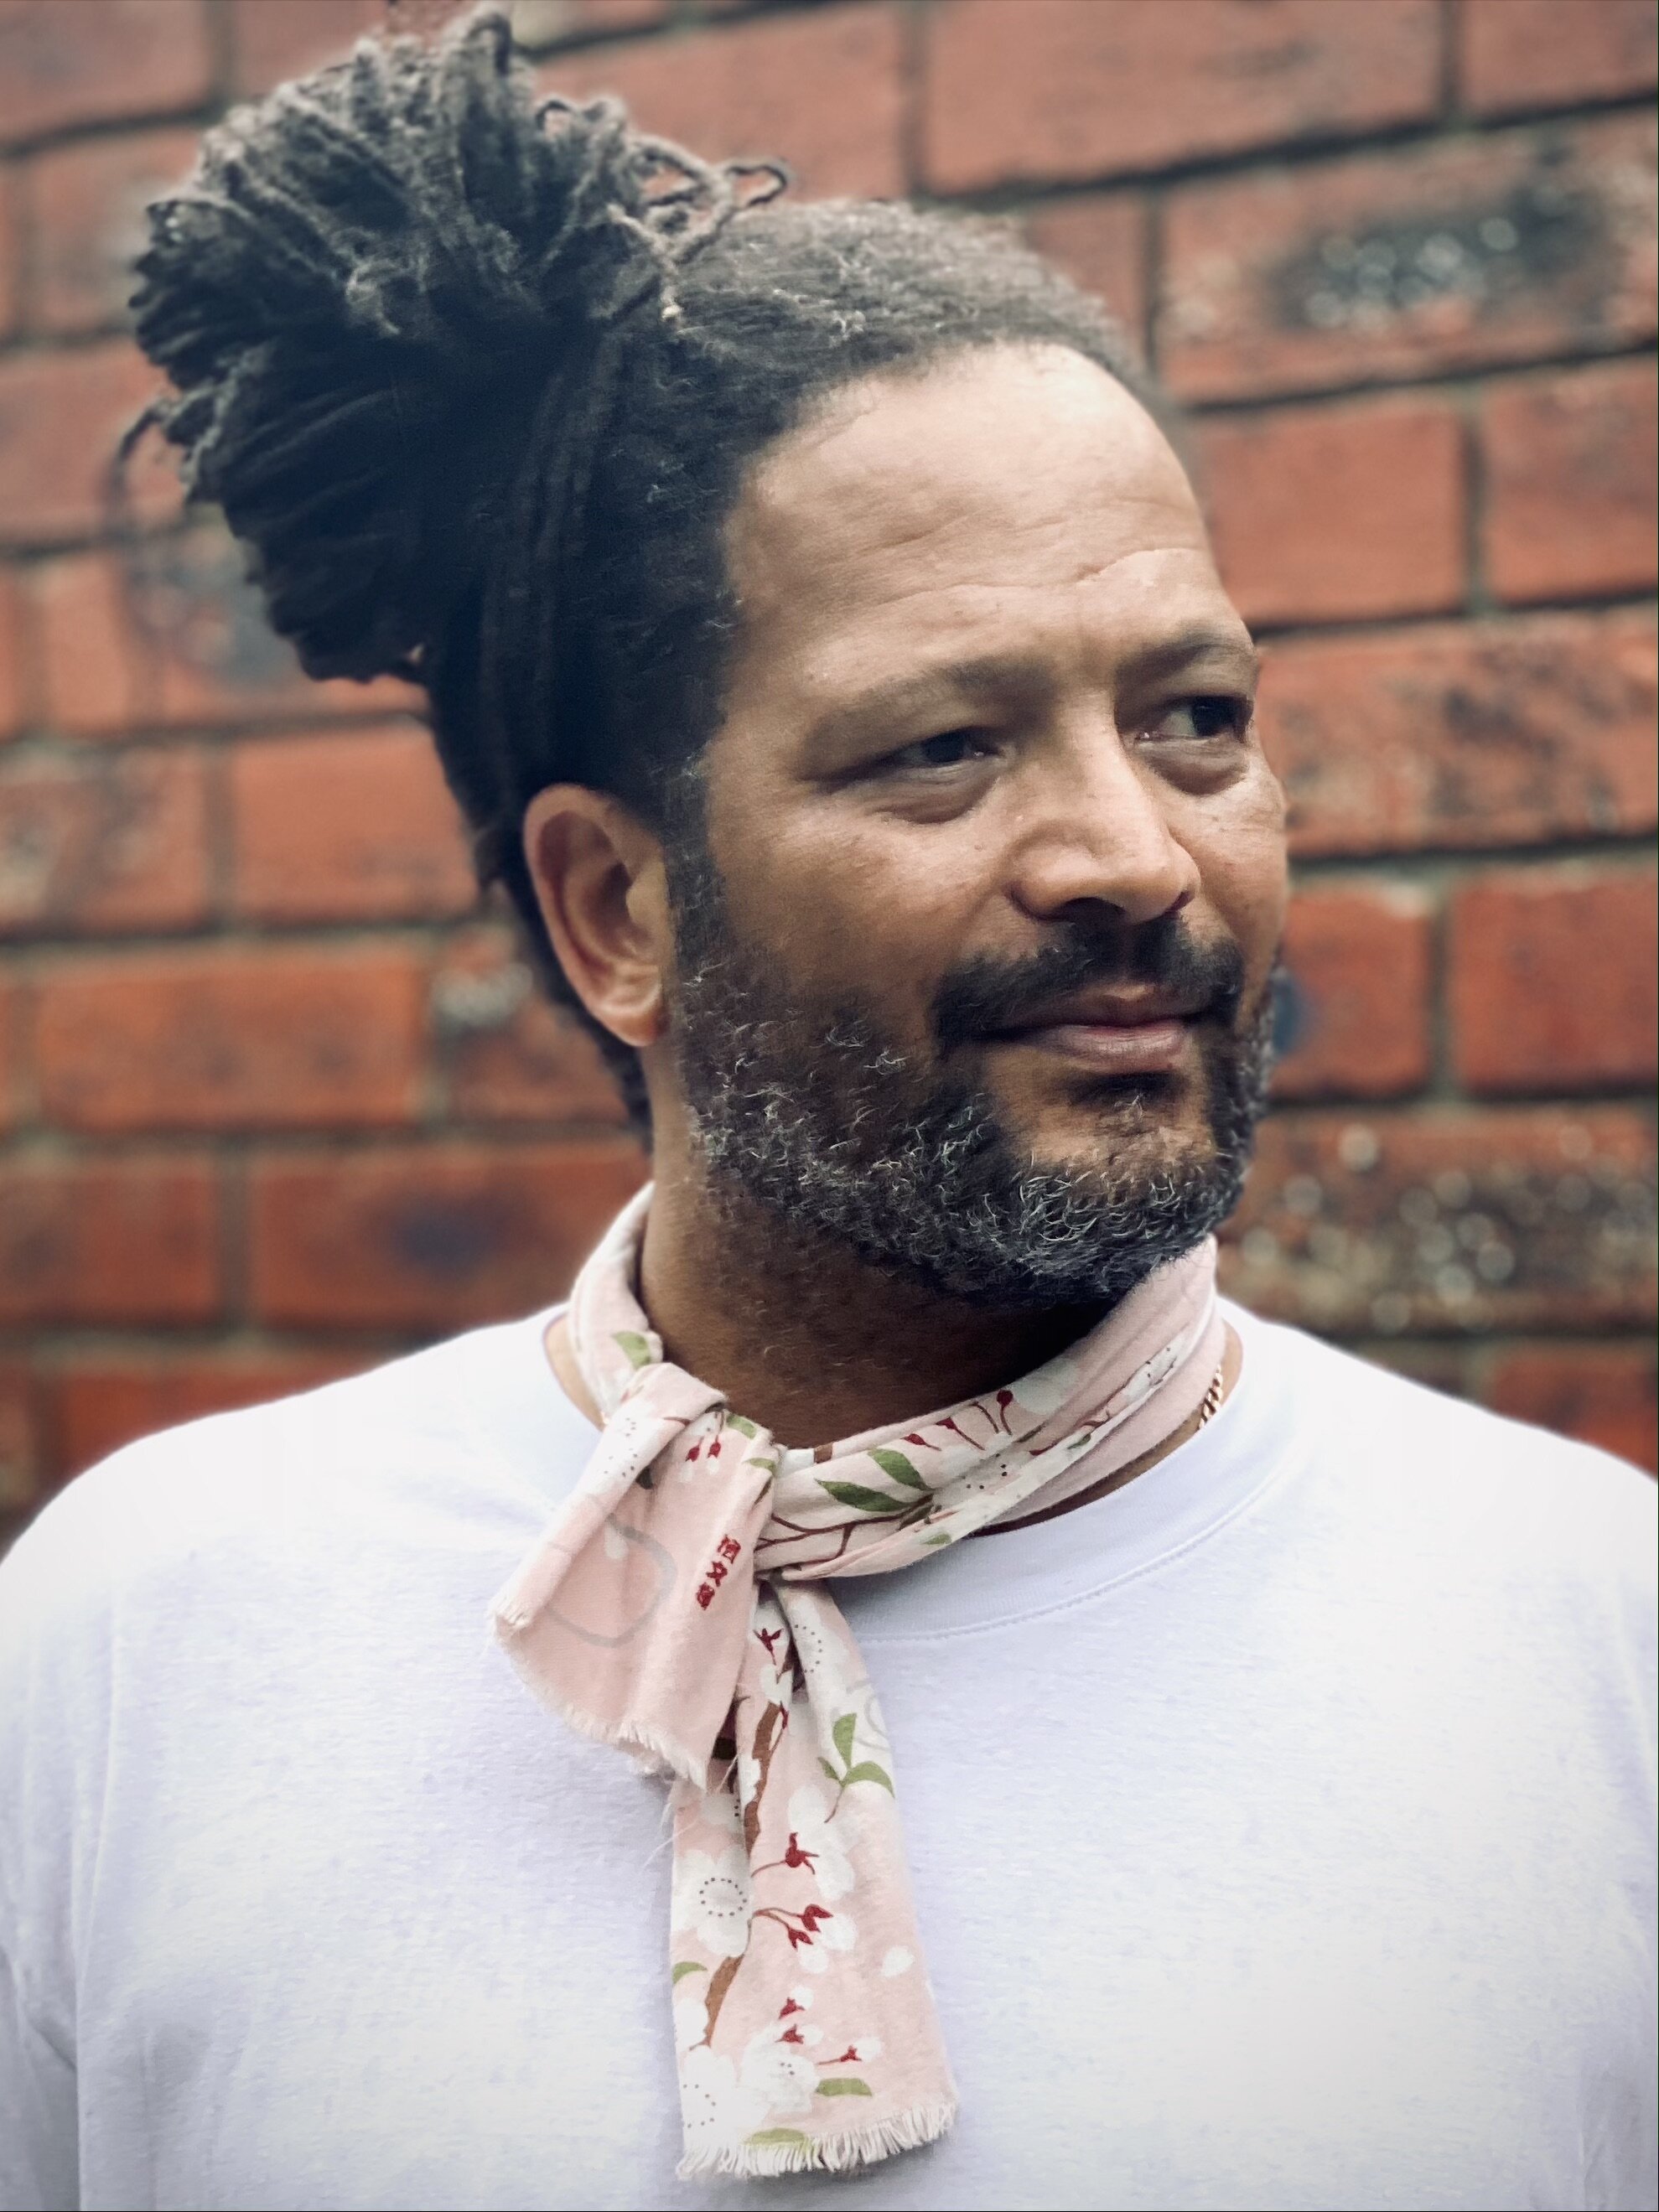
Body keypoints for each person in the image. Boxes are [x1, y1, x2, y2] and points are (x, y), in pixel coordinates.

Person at [2, 13, 1652, 2211]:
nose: (1135, 857)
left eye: (1192, 718)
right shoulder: (140, 1637)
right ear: (614, 909)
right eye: (939, 749)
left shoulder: (1594, 1638)